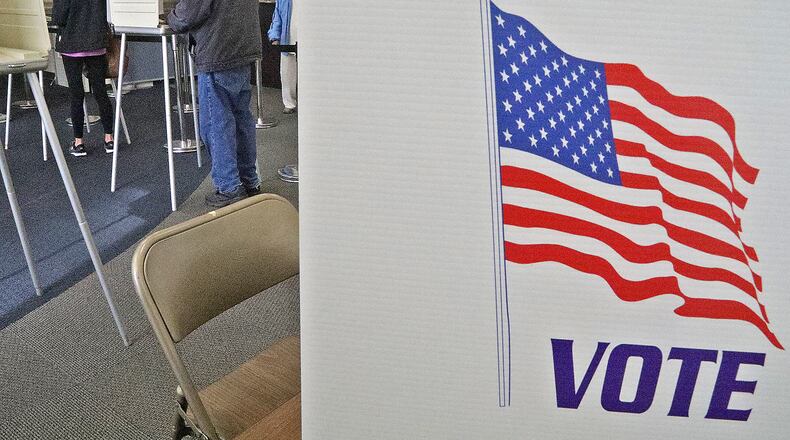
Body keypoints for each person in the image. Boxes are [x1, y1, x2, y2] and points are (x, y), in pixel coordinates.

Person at [168, 0, 263, 208]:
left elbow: (188, 13)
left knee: (216, 125)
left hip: (218, 51)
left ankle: (229, 187)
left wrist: (171, 17)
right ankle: (250, 181)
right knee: (241, 120)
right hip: (244, 48)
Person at [52, 0, 115, 157]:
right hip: (96, 42)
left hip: (71, 44)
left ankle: (78, 143)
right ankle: (109, 139)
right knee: (101, 92)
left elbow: (58, 17)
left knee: (76, 94)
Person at [268, 0, 298, 114]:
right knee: (287, 74)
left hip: (308, 43)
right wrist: (274, 36)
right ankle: (289, 103)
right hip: (287, 41)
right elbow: (277, 17)